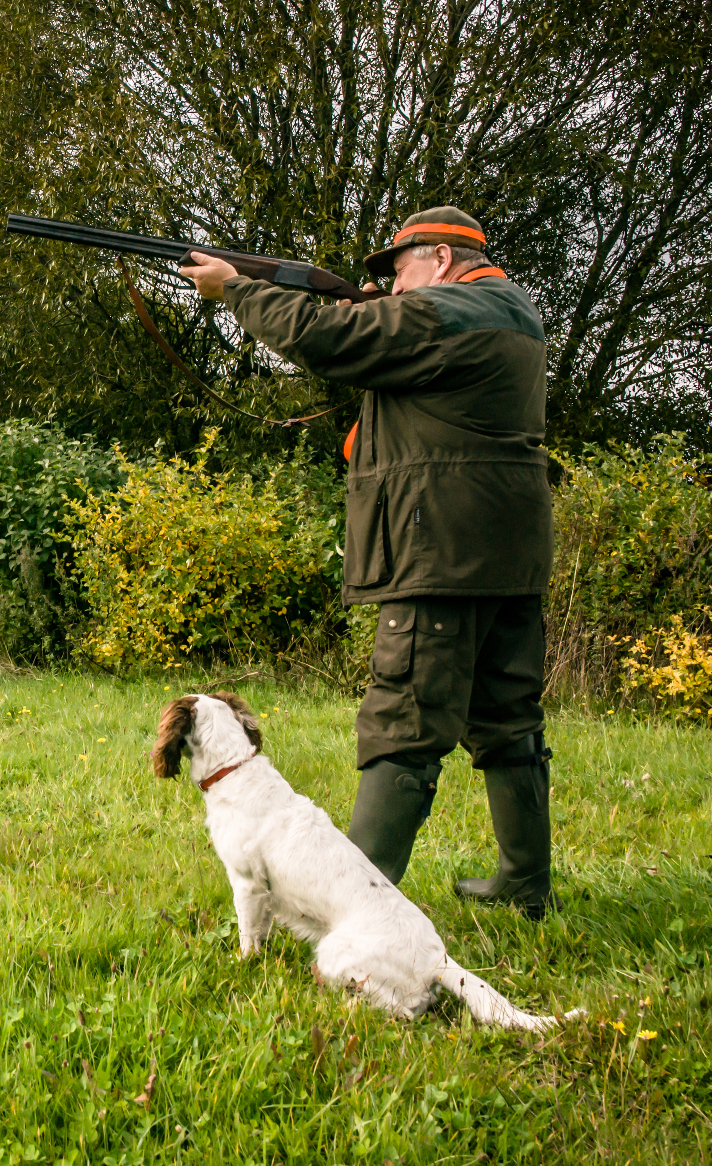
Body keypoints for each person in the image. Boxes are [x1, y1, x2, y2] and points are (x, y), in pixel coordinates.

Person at [180, 206, 556, 918]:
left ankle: (349, 910)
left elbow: (329, 336)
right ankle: (524, 884)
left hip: (440, 551)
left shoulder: (444, 313)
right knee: (509, 720)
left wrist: (236, 289)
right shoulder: (513, 312)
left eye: (400, 270)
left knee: (403, 721)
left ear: (440, 260)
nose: (391, 286)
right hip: (506, 551)